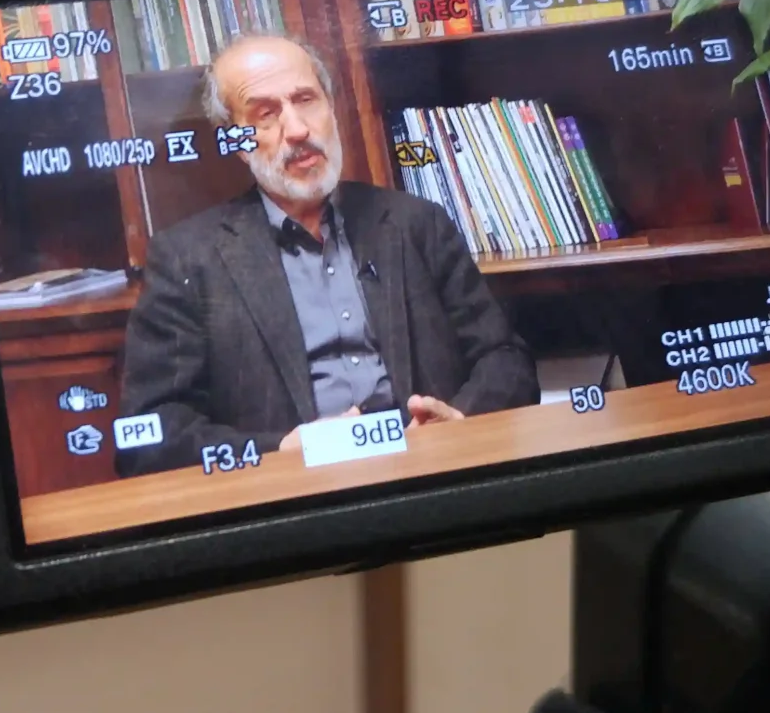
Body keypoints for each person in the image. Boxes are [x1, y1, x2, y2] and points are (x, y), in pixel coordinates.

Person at [114, 32, 537, 476]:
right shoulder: (186, 258)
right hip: (292, 494)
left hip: (432, 474)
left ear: (331, 109)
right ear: (235, 141)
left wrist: (458, 423)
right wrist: (278, 450)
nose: (298, 130)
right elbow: (146, 435)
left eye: (306, 100)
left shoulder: (418, 224)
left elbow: (507, 359)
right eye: (266, 114)